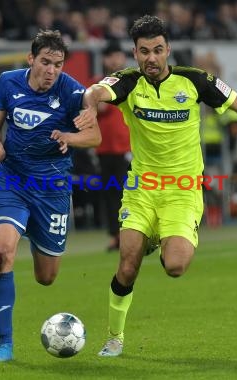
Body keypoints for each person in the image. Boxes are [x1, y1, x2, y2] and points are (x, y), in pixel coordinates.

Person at [73, 15, 237, 357]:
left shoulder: (195, 81)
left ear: (168, 49)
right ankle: (114, 337)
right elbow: (94, 91)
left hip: (182, 190)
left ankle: (156, 239)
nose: (151, 58)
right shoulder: (127, 83)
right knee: (127, 265)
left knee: (176, 266)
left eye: (157, 50)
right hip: (141, 188)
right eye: (143, 52)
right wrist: (91, 108)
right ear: (135, 54)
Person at [0, 30, 101, 362]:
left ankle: (35, 231)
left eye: (58, 64)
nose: (51, 71)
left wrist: (70, 137)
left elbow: (94, 136)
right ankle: (5, 344)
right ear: (31, 59)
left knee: (46, 277)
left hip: (52, 191)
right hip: (13, 181)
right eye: (46, 62)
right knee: (2, 254)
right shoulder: (7, 83)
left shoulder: (72, 91)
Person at [94, 40, 131, 251]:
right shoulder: (97, 84)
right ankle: (115, 235)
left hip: (129, 148)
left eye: (118, 55)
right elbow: (97, 109)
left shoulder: (132, 82)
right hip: (105, 149)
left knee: (134, 192)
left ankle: (137, 234)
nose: (115, 59)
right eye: (111, 56)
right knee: (111, 194)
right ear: (104, 60)